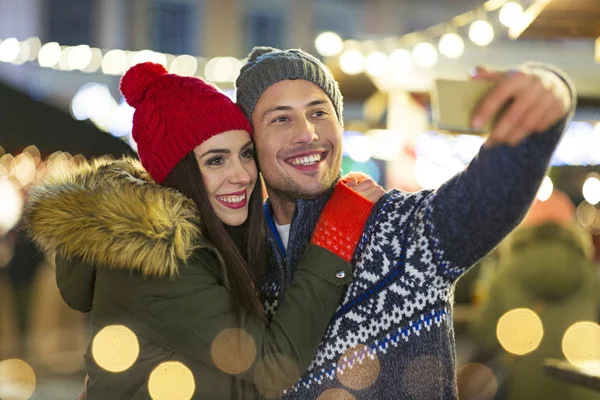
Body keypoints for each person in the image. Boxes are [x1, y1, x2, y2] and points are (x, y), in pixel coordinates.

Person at [24, 62, 384, 399]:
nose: (242, 175)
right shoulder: (159, 265)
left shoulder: (212, 240)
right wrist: (334, 238)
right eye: (215, 160)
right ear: (179, 174)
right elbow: (275, 363)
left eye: (245, 153)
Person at [234, 47, 575, 398]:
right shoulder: (236, 256)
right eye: (280, 118)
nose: (307, 133)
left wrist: (548, 94)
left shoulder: (402, 229)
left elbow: (492, 198)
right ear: (250, 142)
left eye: (319, 112)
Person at [469, 191, 600, 400]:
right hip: (583, 387)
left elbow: (484, 334)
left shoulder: (506, 273)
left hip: (525, 388)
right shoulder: (589, 274)